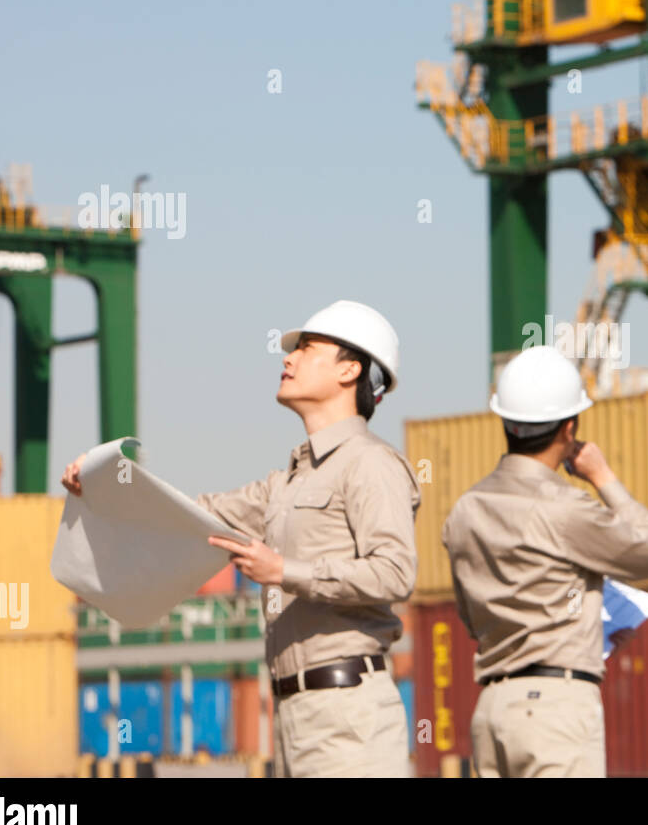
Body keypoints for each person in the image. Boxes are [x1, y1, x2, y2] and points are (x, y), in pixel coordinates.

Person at [62, 300, 420, 777]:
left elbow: (395, 573)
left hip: (349, 715)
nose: (287, 358)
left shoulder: (371, 464)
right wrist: (106, 488)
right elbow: (194, 514)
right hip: (296, 716)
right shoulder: (287, 481)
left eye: (307, 348)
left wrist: (283, 572)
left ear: (350, 369)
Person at [441, 345, 648, 777]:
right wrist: (603, 477)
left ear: (505, 421)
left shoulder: (465, 510)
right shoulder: (565, 507)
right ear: (570, 428)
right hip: (555, 707)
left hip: (492, 709)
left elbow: (473, 622)